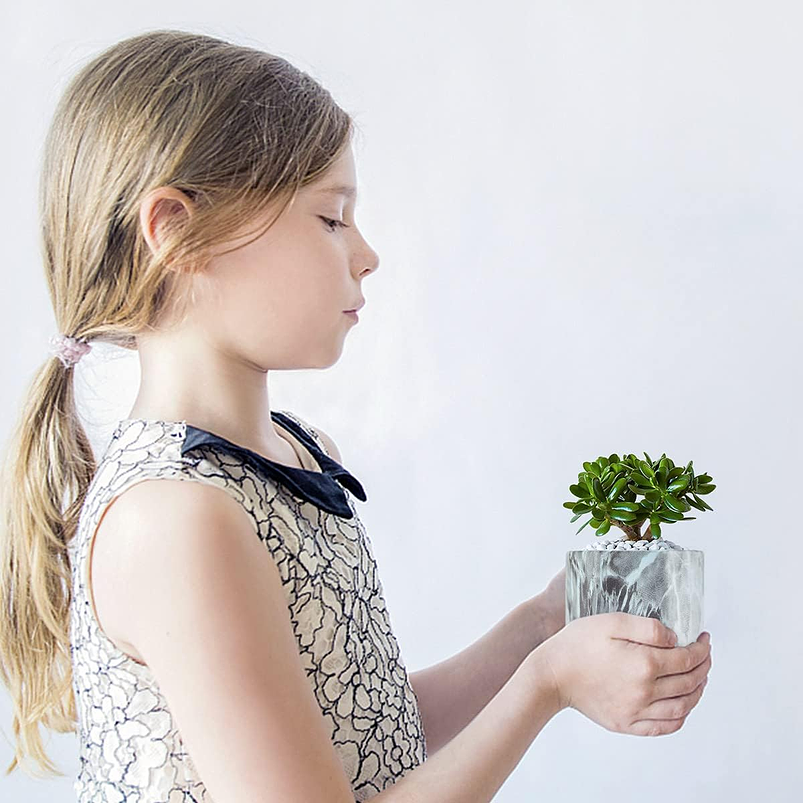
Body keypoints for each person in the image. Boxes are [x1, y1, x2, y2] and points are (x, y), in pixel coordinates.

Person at [0, 28, 712, 803]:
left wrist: (540, 626)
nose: (365, 253)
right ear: (177, 232)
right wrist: (544, 685)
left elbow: (364, 731)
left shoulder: (296, 457)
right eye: (331, 218)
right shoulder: (174, 518)